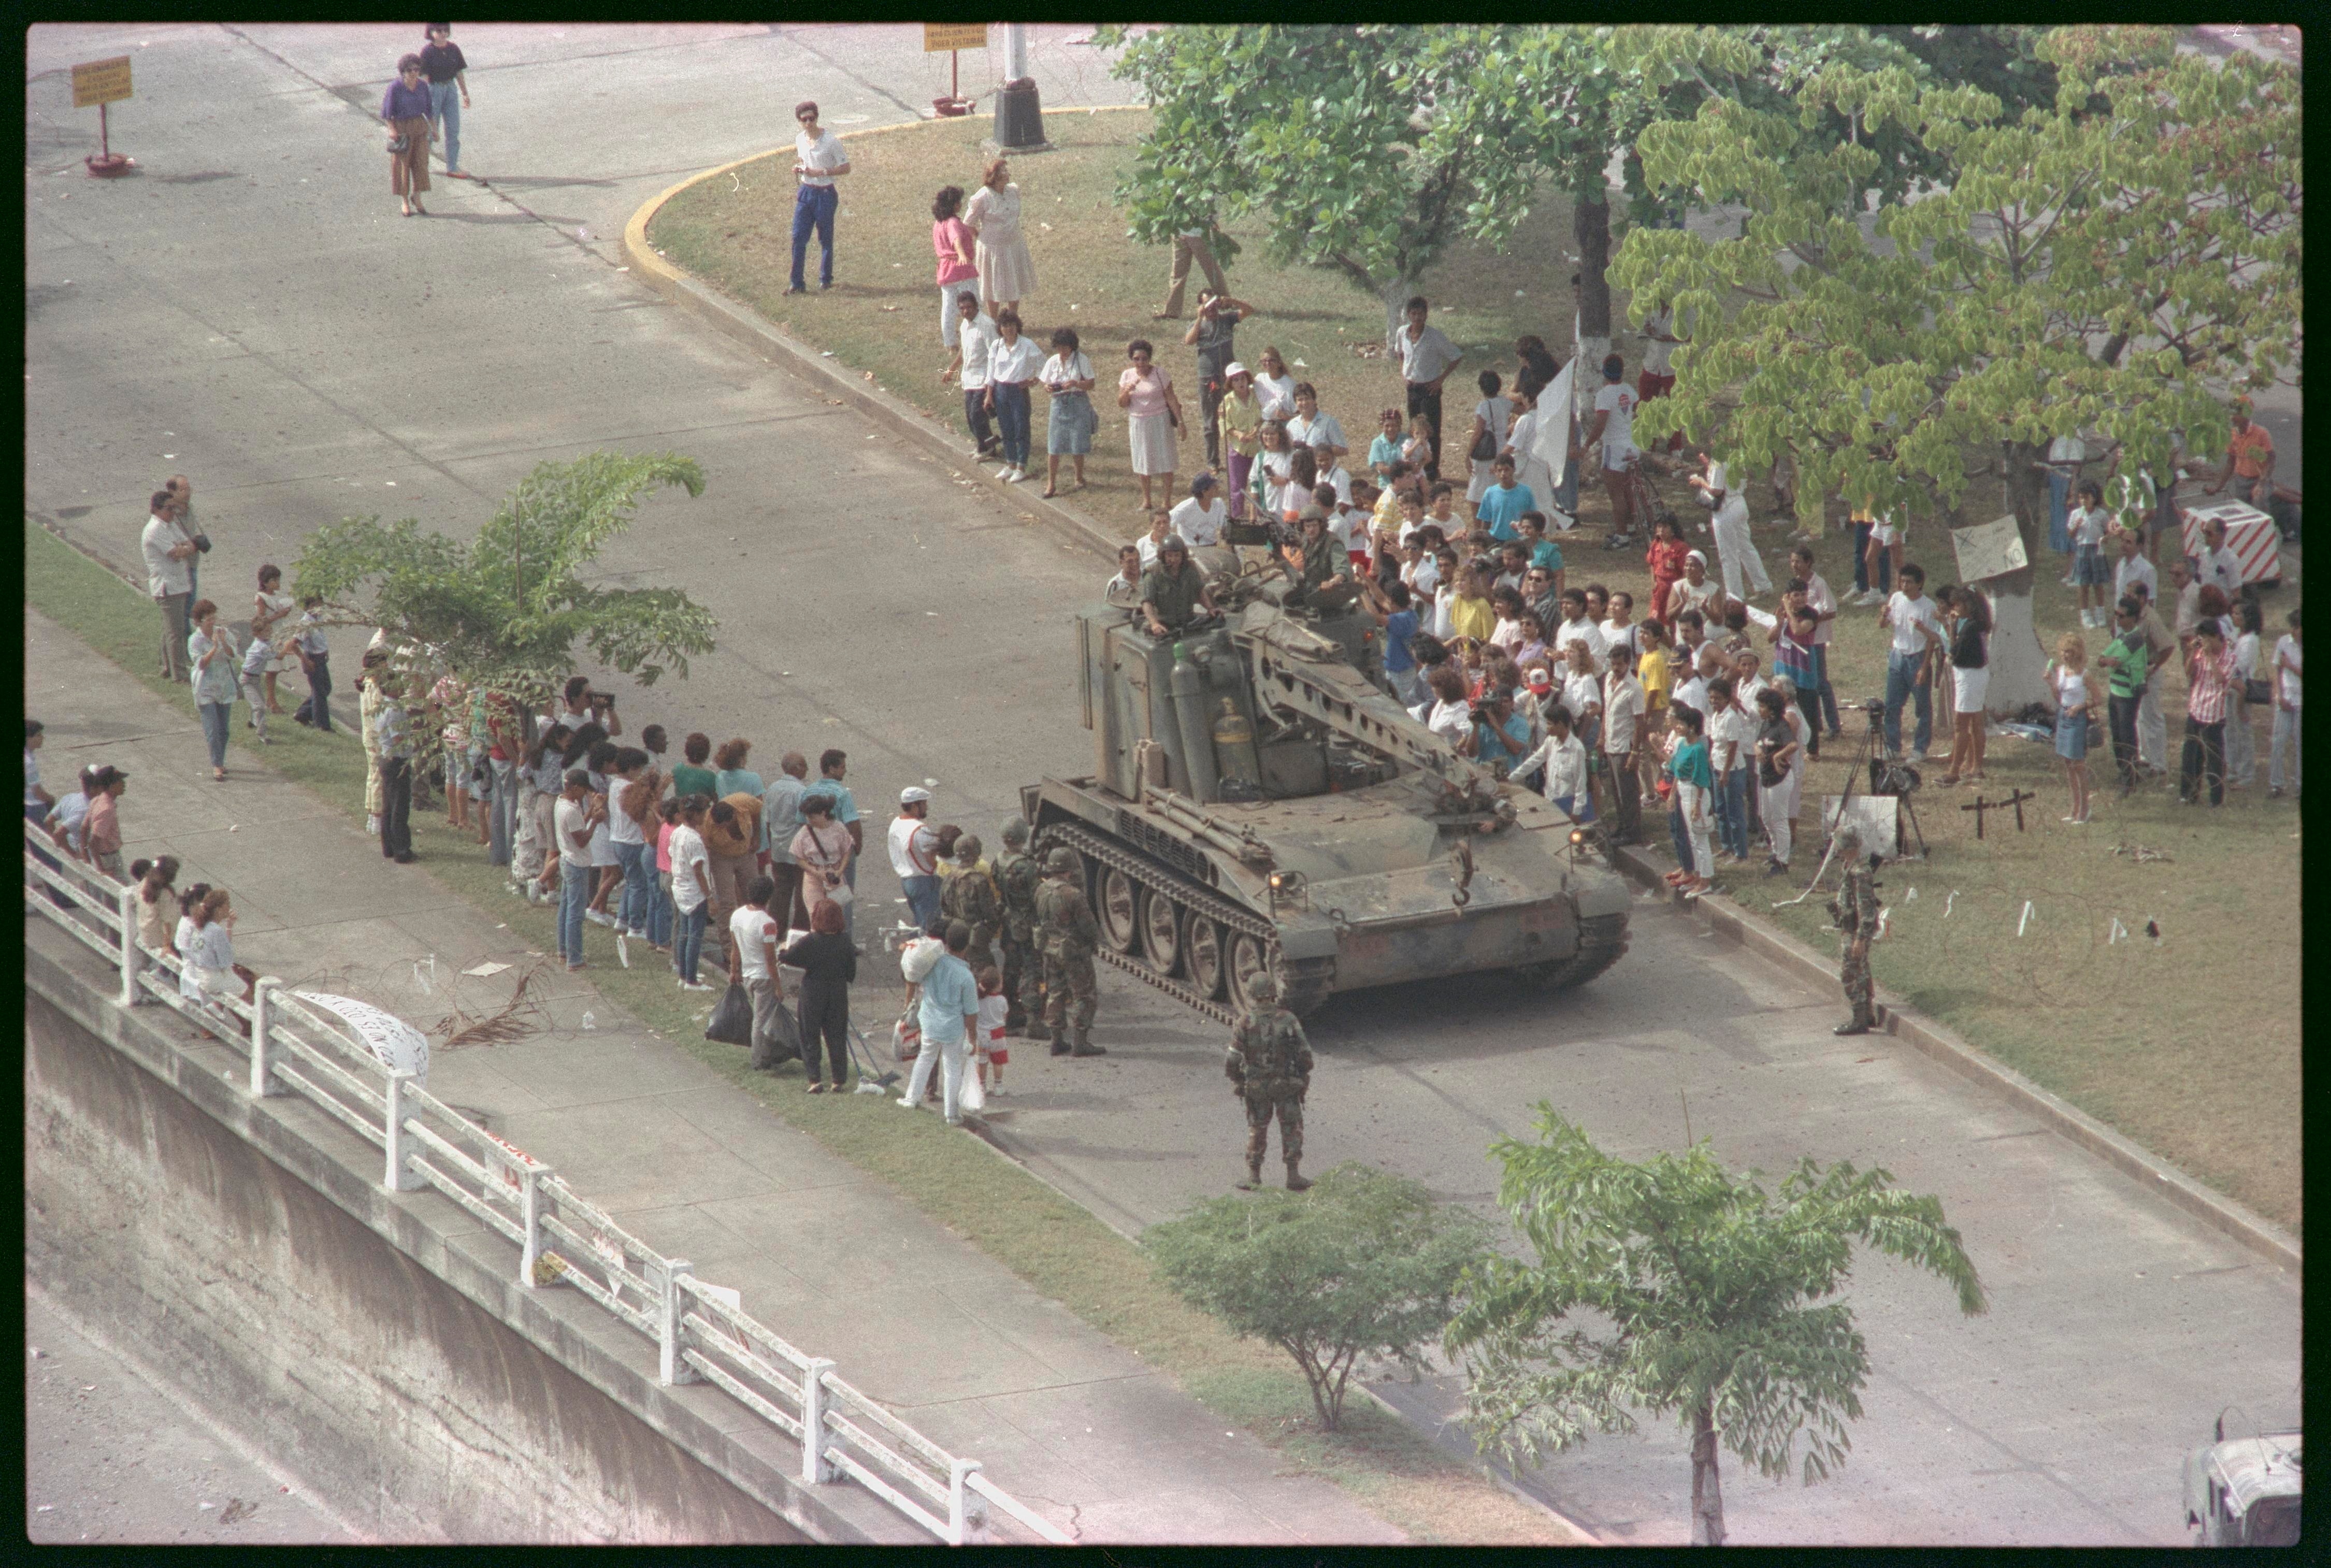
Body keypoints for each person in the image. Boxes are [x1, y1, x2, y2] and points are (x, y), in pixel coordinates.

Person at [1225, 974, 1315, 1191]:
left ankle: (1254, 1177)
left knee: (1257, 1128)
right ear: (1274, 992)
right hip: (1286, 1084)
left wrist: (1238, 1080)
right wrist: (1302, 1077)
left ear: (1252, 995)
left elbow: (1232, 1059)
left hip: (1257, 1087)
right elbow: (1305, 1056)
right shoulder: (1288, 1019)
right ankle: (1293, 1176)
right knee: (1291, 1128)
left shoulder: (1245, 1022)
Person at [899, 918, 980, 1123]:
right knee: (952, 1068)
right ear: (967, 945)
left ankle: (911, 1098)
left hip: (929, 1021)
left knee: (925, 1058)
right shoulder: (966, 976)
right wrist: (973, 1037)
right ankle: (951, 1114)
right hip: (952, 1028)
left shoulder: (933, 963)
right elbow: (971, 1012)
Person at [778, 898, 855, 1094]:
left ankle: (815, 1079)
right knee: (837, 1036)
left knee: (810, 1035)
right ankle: (838, 1080)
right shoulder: (845, 941)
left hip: (813, 991)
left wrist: (782, 949)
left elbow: (788, 957)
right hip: (837, 991)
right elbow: (851, 973)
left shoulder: (810, 941)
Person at [1036, 846, 1103, 1057]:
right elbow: (1089, 926)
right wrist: (1094, 941)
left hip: (1050, 948)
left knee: (1055, 992)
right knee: (1083, 994)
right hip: (1074, 952)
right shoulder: (1073, 895)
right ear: (1069, 870)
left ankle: (1056, 1040)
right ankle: (1080, 1042)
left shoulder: (1041, 890)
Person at [1387, 296, 1462, 481]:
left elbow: (1456, 357)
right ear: (1408, 315)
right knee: (1414, 429)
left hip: (1430, 389)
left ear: (1426, 315)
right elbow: (1400, 353)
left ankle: (1432, 471)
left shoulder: (1435, 337)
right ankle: (1414, 466)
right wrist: (1403, 372)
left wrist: (1441, 380)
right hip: (1412, 388)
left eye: (1420, 314)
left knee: (1431, 431)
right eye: (1413, 314)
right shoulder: (1402, 332)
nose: (1417, 318)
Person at [1182, 289, 1255, 472]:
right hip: (1209, 378)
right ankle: (1213, 461)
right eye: (1207, 305)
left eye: (1213, 305)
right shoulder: (1197, 325)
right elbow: (1189, 341)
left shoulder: (1227, 320)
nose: (1211, 309)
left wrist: (1232, 300)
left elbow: (1249, 310)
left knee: (1236, 414)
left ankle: (1240, 454)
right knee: (1211, 420)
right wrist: (1200, 318)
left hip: (1230, 378)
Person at [1879, 564, 1944, 762]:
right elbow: (1883, 625)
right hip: (1898, 656)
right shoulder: (1897, 599)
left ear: (1919, 584)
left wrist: (1924, 667)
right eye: (1902, 581)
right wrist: (1883, 615)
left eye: (1909, 582)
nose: (1904, 586)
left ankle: (1920, 749)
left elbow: (1933, 640)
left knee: (1922, 708)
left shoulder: (1928, 607)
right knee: (1892, 705)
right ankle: (1893, 747)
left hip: (1917, 658)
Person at [1575, 354, 1642, 545]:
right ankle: (1631, 527)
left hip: (1614, 447)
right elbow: (1640, 409)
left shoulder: (1604, 395)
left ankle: (1621, 537)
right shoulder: (1628, 389)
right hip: (1632, 444)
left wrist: (1587, 445)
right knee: (1628, 488)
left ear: (1603, 372)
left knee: (1616, 494)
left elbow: (1600, 424)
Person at [728, 875, 790, 1072]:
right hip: (764, 977)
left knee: (759, 1018)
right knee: (761, 1021)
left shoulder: (737, 915)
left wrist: (733, 970)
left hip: (747, 974)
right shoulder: (768, 923)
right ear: (769, 897)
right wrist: (779, 986)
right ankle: (759, 1061)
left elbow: (735, 948)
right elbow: (771, 960)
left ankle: (764, 1056)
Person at [786, 101, 849, 294]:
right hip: (806, 192)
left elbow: (846, 167)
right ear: (799, 121)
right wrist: (801, 169)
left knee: (825, 238)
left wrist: (821, 172)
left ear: (817, 118)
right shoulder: (800, 140)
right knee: (798, 237)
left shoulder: (830, 141)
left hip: (825, 193)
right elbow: (804, 160)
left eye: (812, 118)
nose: (809, 123)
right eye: (804, 120)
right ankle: (797, 283)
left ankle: (826, 278)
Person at [1690, 454, 1772, 600]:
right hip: (1740, 503)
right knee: (1746, 548)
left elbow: (1717, 490)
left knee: (1728, 555)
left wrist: (1701, 481)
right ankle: (1763, 586)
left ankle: (1735, 595)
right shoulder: (1737, 455)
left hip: (1726, 508)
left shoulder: (1719, 459)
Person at [1826, 822, 1880, 1035]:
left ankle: (1859, 1019)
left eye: (1838, 845)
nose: (1836, 849)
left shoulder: (1860, 872)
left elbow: (1867, 908)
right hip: (1851, 926)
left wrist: (1860, 938)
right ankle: (1867, 1014)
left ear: (1847, 847)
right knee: (1862, 969)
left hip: (1857, 930)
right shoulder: (1850, 866)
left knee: (1849, 972)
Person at [2096, 596, 2153, 794]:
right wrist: (2108, 660)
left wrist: (2109, 660)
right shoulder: (2122, 637)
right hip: (2115, 691)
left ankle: (2129, 780)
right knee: (2117, 734)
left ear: (2133, 618)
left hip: (2128, 694)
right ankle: (2124, 771)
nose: (2118, 619)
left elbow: (2114, 661)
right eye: (2116, 614)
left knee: (2127, 736)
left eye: (2122, 616)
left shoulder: (2135, 639)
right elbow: (2102, 659)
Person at [965, 157, 1034, 320]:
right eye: (1003, 171)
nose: (1008, 173)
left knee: (1014, 281)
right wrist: (980, 237)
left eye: (1006, 170)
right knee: (993, 284)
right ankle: (994, 320)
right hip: (992, 248)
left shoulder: (1014, 190)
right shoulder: (982, 197)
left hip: (1014, 243)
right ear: (994, 175)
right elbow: (968, 223)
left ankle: (1012, 318)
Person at [1118, 339, 1182, 511]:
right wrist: (1127, 391)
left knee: (1166, 460)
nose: (1141, 363)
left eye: (1144, 359)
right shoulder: (1127, 376)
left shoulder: (1160, 374)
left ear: (1149, 359)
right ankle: (1147, 500)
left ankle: (1167, 501)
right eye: (1137, 359)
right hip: (1138, 422)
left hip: (1160, 420)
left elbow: (1171, 398)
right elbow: (1122, 403)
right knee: (1142, 460)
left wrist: (1181, 422)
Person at [141, 491, 198, 683]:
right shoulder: (154, 529)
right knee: (176, 632)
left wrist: (186, 548)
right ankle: (179, 674)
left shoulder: (169, 524)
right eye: (169, 508)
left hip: (178, 583)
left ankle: (167, 667)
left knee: (170, 630)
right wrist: (186, 549)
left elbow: (187, 544)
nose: (173, 512)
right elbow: (175, 553)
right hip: (167, 587)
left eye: (174, 507)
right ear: (156, 509)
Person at [2180, 618, 2238, 807]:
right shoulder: (2200, 653)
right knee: (2191, 755)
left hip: (2214, 714)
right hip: (2196, 709)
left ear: (2215, 637)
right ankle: (2188, 795)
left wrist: (2211, 658)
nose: (2204, 643)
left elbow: (2221, 679)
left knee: (2214, 758)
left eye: (2206, 639)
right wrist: (2191, 652)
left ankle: (2216, 799)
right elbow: (2190, 673)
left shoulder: (2229, 656)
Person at [1937, 585, 1991, 785]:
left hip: (1969, 676)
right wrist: (1953, 627)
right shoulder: (1975, 625)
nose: (1956, 607)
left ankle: (1954, 772)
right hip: (1976, 675)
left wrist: (1953, 634)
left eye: (1959, 603)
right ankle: (1976, 767)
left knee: (1961, 724)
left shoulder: (1970, 628)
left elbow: (1954, 653)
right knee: (1976, 722)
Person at [940, 291, 1001, 461]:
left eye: (969, 308)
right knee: (970, 416)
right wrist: (952, 369)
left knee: (977, 414)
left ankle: (987, 449)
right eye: (962, 309)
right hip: (969, 379)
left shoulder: (987, 325)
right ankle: (986, 445)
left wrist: (992, 383)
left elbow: (995, 353)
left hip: (983, 378)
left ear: (976, 307)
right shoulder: (965, 326)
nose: (966, 312)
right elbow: (964, 351)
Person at [183, 599, 238, 782]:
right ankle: (216, 765)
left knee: (224, 730)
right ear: (199, 621)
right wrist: (214, 648)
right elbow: (200, 664)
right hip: (206, 688)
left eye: (214, 617)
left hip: (225, 686)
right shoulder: (195, 640)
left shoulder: (224, 633)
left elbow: (234, 656)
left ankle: (220, 761)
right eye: (209, 619)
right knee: (212, 728)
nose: (213, 622)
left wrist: (223, 641)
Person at [2045, 633, 2096, 825]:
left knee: (2079, 765)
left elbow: (2098, 699)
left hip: (2078, 719)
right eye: (2063, 652)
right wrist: (2050, 682)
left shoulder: (2085, 674)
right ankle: (2074, 807)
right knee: (2068, 764)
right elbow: (2059, 698)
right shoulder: (2060, 671)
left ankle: (2085, 809)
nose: (2066, 655)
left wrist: (2080, 707)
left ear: (2077, 653)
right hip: (2063, 716)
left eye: (2070, 652)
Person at [1664, 702, 1715, 897]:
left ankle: (1706, 880)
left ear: (1692, 727)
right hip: (1683, 790)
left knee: (1700, 839)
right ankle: (1696, 875)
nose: (1678, 726)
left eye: (1682, 724)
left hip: (1695, 792)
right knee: (1693, 839)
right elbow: (1676, 770)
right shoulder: (1682, 744)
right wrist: (1672, 794)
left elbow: (1702, 778)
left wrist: (1697, 805)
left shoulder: (1698, 750)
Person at [1039, 326, 1096, 497]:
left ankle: (1079, 477)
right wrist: (1048, 387)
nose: (1062, 351)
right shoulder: (1053, 361)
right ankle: (1051, 483)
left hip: (1077, 402)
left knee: (1077, 442)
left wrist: (1076, 384)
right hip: (1058, 403)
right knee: (1054, 445)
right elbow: (1045, 382)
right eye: (1059, 347)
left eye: (1065, 347)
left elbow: (1091, 384)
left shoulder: (1081, 360)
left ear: (1072, 346)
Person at [667, 794, 715, 988]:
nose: (705, 816)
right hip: (695, 892)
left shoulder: (678, 832)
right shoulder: (694, 840)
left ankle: (684, 974)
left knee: (684, 934)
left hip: (680, 887)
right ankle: (692, 980)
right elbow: (699, 871)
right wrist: (710, 897)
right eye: (703, 812)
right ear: (694, 814)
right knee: (695, 936)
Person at [553, 768, 598, 971]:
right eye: (584, 791)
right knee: (576, 913)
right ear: (576, 787)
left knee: (565, 908)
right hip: (577, 864)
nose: (585, 795)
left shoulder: (562, 803)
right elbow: (582, 840)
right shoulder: (571, 810)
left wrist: (590, 813)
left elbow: (578, 825)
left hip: (567, 860)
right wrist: (596, 822)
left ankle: (563, 950)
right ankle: (575, 959)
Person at [792, 790, 854, 934]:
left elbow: (847, 852)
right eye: (808, 817)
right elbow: (799, 858)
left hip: (835, 876)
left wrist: (839, 872)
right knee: (815, 916)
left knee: (836, 917)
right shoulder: (804, 832)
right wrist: (817, 873)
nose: (809, 820)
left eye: (812, 817)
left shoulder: (838, 828)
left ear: (824, 813)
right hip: (814, 877)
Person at [939, 834, 1001, 975]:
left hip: (955, 935)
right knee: (985, 974)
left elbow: (944, 908)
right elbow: (990, 914)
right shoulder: (978, 881)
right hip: (975, 939)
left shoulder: (948, 878)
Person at [1752, 688, 1800, 874]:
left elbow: (1793, 745)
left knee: (1780, 820)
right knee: (1766, 818)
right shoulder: (1766, 724)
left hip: (1780, 779)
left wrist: (1777, 756)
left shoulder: (1781, 725)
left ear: (1772, 708)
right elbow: (1758, 742)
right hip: (1766, 778)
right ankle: (1775, 851)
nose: (1759, 709)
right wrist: (1757, 749)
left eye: (1762, 706)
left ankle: (1783, 861)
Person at [382, 54, 434, 217]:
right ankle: (405, 201)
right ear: (403, 71)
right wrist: (392, 130)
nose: (414, 73)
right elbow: (387, 113)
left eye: (417, 69)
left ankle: (417, 197)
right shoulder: (395, 88)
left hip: (419, 126)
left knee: (421, 163)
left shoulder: (422, 86)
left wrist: (434, 129)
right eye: (410, 70)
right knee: (403, 166)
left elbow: (429, 110)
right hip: (402, 128)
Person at [930, 185, 981, 351]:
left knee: (949, 308)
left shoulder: (939, 223)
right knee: (974, 302)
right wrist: (961, 255)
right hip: (961, 268)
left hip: (945, 269)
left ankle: (950, 343)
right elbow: (956, 239)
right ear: (955, 205)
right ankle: (978, 337)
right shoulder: (953, 222)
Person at [1636, 299, 1689, 454]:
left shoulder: (1683, 310)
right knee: (1644, 405)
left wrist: (1672, 338)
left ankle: (1675, 447)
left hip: (1672, 366)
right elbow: (1645, 325)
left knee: (1675, 408)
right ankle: (1647, 444)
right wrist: (1648, 330)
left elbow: (1693, 336)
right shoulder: (1652, 307)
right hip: (1652, 363)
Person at [420, 23, 471, 179]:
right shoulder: (427, 52)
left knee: (453, 129)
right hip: (434, 90)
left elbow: (459, 72)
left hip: (450, 89)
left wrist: (465, 93)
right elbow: (424, 77)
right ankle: (422, 167)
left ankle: (453, 167)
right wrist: (426, 99)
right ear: (431, 32)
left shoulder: (454, 49)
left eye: (445, 31)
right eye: (438, 31)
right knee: (430, 130)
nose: (442, 34)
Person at [889, 785, 944, 929]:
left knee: (918, 923)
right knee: (930, 927)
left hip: (907, 882)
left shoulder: (897, 823)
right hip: (923, 882)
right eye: (924, 804)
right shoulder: (920, 830)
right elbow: (932, 861)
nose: (926, 808)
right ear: (914, 806)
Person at [1139, 536, 1214, 638]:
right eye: (1169, 556)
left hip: (1188, 622)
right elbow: (1147, 602)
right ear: (1163, 555)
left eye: (1177, 555)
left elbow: (1199, 590)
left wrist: (1210, 608)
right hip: (1164, 626)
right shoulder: (1153, 574)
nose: (1173, 559)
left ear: (1183, 555)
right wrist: (1154, 624)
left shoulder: (1190, 569)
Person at [2206, 397, 2276, 508]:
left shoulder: (2262, 433)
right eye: (2232, 413)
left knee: (2259, 507)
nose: (2233, 418)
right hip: (2241, 481)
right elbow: (2230, 462)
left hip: (2259, 480)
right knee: (2243, 510)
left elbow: (2271, 460)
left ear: (2247, 414)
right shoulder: (2231, 434)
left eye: (2237, 413)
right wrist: (2218, 487)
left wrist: (2261, 483)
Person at [1155, 214, 1228, 319]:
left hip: (1200, 234)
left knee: (1211, 270)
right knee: (1178, 273)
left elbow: (1211, 207)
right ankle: (1172, 311)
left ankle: (1225, 303)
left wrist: (1212, 223)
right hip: (1179, 232)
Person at [2227, 597, 2266, 791]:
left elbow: (2240, 666)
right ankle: (2233, 768)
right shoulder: (2238, 636)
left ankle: (2246, 773)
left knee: (2243, 731)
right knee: (2231, 730)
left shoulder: (2250, 640)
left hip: (2240, 687)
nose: (2234, 617)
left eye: (2237, 614)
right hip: (2231, 687)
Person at [2035, 431, 2088, 564]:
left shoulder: (2074, 433)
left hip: (2066, 480)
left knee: (2069, 523)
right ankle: (2070, 567)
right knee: (2061, 524)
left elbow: (2076, 466)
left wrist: (2072, 492)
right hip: (2056, 478)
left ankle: (2074, 569)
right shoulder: (2057, 433)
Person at [2269, 606, 2301, 799]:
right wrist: (2278, 696)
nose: (2295, 631)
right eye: (2294, 627)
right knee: (2278, 742)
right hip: (2286, 698)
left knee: (2299, 743)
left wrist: (2290, 665)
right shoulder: (2284, 642)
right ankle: (2276, 784)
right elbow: (2276, 671)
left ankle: (2300, 784)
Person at [1474, 454, 1535, 543]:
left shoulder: (1526, 492)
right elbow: (1486, 521)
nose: (1503, 474)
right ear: (1495, 472)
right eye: (1500, 470)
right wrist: (1484, 542)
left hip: (1520, 540)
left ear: (1514, 470)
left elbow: (1533, 519)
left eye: (1507, 470)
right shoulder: (1490, 493)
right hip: (1496, 540)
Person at [82, 766, 128, 882]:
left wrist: (86, 856)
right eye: (120, 782)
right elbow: (94, 841)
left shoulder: (97, 800)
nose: (124, 784)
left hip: (105, 857)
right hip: (108, 858)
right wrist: (101, 869)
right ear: (111, 786)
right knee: (120, 891)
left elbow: (84, 828)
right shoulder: (107, 809)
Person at [1285, 383, 1348, 463]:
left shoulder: (1329, 422)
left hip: (1322, 472)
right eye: (1300, 400)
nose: (1304, 403)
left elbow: (1344, 450)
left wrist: (1315, 450)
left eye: (1307, 399)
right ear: (1296, 403)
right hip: (1299, 472)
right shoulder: (1292, 425)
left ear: (1314, 401)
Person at [131, 855, 180, 954]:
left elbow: (135, 903)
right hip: (159, 939)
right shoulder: (164, 894)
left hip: (145, 934)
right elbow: (167, 922)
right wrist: (167, 946)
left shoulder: (143, 883)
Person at [1169, 474, 1228, 549]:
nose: (1218, 488)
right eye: (1214, 487)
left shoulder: (1219, 504)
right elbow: (1166, 522)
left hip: (1211, 548)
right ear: (1204, 492)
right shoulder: (1185, 507)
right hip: (1189, 548)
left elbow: (1226, 528)